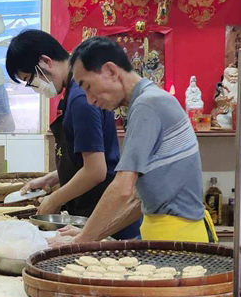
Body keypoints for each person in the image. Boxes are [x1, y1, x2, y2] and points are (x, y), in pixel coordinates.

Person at [60, 36, 217, 244]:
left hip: (178, 240)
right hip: (165, 234)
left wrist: (80, 241)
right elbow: (137, 199)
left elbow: (122, 188)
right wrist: (89, 236)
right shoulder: (145, 102)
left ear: (111, 71)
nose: (89, 100)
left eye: (87, 87)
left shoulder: (148, 104)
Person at [5, 30, 140, 239]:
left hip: (107, 219)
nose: (34, 88)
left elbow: (96, 171)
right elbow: (87, 158)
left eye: (30, 80)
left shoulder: (80, 98)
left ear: (45, 62)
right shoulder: (74, 94)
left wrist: (54, 199)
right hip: (96, 215)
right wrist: (50, 179)